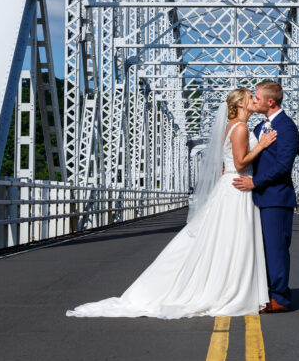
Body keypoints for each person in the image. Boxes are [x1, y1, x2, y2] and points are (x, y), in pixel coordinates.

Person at [66, 87, 276, 318]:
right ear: (241, 104)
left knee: (225, 241)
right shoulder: (240, 128)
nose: (255, 101)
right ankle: (229, 288)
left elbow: (228, 163)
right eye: (250, 98)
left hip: (232, 186)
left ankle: (227, 284)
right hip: (238, 188)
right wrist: (262, 145)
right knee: (232, 240)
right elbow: (239, 161)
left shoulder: (233, 126)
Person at [232, 81, 299, 313]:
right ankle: (265, 293)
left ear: (271, 101)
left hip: (276, 198)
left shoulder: (287, 127)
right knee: (262, 249)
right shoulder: (261, 126)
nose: (254, 101)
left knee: (276, 248)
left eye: (257, 97)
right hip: (259, 197)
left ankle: (280, 297)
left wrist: (255, 182)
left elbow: (283, 166)